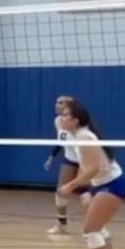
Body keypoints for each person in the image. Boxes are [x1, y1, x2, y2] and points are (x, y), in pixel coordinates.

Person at [57, 102, 125, 249]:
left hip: (112, 184)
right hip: (100, 185)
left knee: (90, 230)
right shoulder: (77, 136)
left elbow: (93, 168)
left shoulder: (84, 136)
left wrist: (70, 185)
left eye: (65, 115)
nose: (61, 118)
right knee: (98, 229)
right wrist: (89, 191)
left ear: (75, 120)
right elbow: (88, 166)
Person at [44, 95, 80, 234]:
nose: (56, 105)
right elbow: (61, 141)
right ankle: (61, 224)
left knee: (89, 193)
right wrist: (51, 157)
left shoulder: (79, 122)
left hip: (85, 159)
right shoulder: (58, 121)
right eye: (56, 102)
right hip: (70, 159)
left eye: (60, 103)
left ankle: (99, 227)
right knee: (61, 191)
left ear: (70, 106)